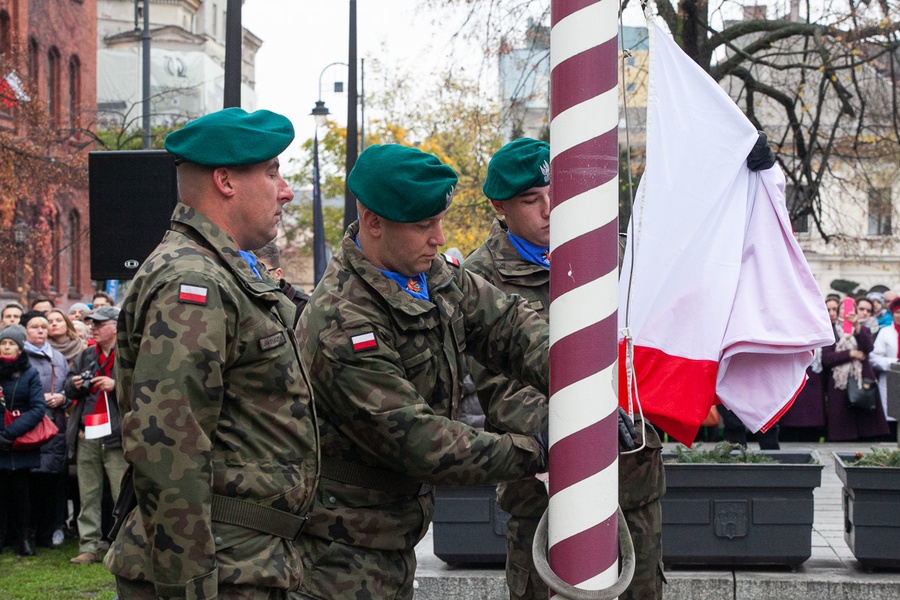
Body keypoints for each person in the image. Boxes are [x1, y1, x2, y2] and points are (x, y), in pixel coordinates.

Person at [294, 143, 550, 600]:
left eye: (438, 222)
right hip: (337, 552)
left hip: (389, 534)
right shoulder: (342, 320)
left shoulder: (429, 275)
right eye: (421, 225)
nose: (438, 237)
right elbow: (420, 440)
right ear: (374, 222)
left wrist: (584, 386)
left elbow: (509, 325)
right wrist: (542, 449)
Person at [107, 107, 319, 599]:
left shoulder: (225, 273)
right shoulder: (193, 281)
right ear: (225, 180)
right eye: (271, 173)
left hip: (244, 561)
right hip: (217, 570)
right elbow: (169, 448)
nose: (285, 190)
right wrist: (190, 588)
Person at [465, 138, 665, 600]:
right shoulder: (480, 280)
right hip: (544, 491)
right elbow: (499, 388)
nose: (551, 208)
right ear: (500, 206)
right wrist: (580, 421)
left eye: (557, 191)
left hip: (630, 478)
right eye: (532, 200)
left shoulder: (614, 256)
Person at [64, 306, 127, 564]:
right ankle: (89, 546)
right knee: (88, 493)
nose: (94, 328)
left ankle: (122, 545)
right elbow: (68, 387)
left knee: (119, 494)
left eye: (100, 324)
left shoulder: (127, 355)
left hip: (116, 435)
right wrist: (75, 384)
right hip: (88, 433)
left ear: (115, 326)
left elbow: (142, 389)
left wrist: (116, 385)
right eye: (93, 324)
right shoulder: (87, 355)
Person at [20, 311, 70, 549]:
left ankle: (48, 532)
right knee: (28, 483)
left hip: (55, 427)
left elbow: (70, 390)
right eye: (34, 326)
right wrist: (38, 399)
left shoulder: (58, 357)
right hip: (28, 426)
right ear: (25, 331)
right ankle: (26, 533)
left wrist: (62, 398)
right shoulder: (20, 357)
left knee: (52, 482)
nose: (40, 330)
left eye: (44, 326)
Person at [0, 325, 46, 556]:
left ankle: (24, 538)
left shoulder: (29, 373)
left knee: (22, 492)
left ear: (20, 349)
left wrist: (10, 433)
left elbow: (38, 408)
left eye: (12, 344)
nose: (7, 347)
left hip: (19, 440)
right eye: (3, 343)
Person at [822, 297, 889, 441]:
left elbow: (868, 348)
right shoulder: (831, 330)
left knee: (865, 420)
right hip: (839, 381)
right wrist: (849, 354)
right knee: (843, 422)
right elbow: (827, 358)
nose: (847, 312)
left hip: (862, 378)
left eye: (851, 309)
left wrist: (857, 326)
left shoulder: (863, 328)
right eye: (843, 309)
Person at [870, 297, 900, 428]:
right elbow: (874, 358)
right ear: (892, 314)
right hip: (891, 379)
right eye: (897, 312)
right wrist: (895, 362)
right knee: (893, 416)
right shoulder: (885, 332)